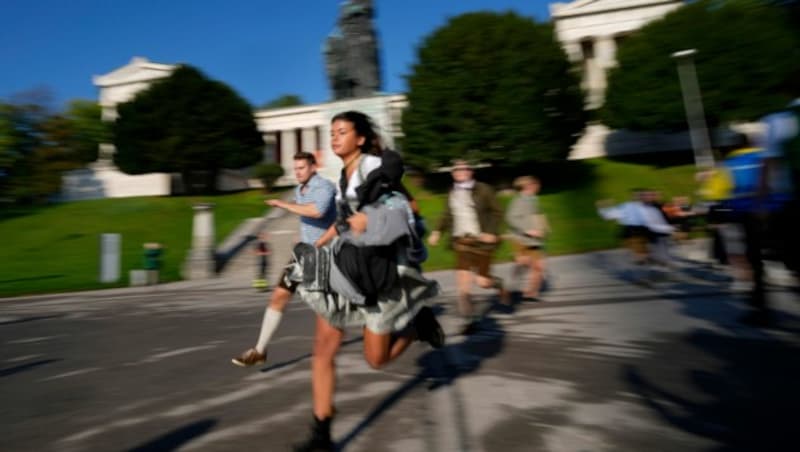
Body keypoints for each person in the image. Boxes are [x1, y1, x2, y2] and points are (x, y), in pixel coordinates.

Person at [290, 111, 444, 452]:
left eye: (341, 132)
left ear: (360, 138)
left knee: (377, 360)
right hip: (345, 268)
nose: (334, 138)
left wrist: (370, 220)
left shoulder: (375, 167)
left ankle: (418, 325)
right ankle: (321, 435)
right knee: (323, 348)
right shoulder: (343, 177)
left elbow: (404, 210)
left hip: (379, 272)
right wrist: (312, 251)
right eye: (331, 132)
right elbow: (344, 222)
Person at [232, 151, 337, 367]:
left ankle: (382, 327)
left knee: (328, 307)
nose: (297, 172)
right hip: (303, 254)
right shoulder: (299, 190)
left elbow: (317, 212)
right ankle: (259, 350)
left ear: (313, 167)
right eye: (295, 168)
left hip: (325, 254)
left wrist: (283, 205)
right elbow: (307, 219)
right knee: (279, 296)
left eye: (302, 168)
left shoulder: (324, 187)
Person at [427, 159, 508, 336]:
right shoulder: (452, 192)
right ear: (453, 173)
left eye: (464, 168)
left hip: (482, 242)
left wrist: (491, 231)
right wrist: (437, 231)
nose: (460, 171)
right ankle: (469, 321)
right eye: (457, 169)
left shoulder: (484, 189)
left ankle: (498, 284)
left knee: (482, 281)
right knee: (462, 287)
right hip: (461, 243)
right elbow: (447, 214)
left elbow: (497, 212)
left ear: (470, 171)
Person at [506, 175, 548, 300]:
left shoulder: (533, 199)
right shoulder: (519, 200)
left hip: (534, 240)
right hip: (521, 239)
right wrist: (528, 230)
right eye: (536, 184)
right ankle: (509, 288)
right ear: (528, 186)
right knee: (523, 264)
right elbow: (511, 218)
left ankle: (531, 293)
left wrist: (542, 228)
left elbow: (535, 216)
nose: (538, 186)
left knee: (539, 266)